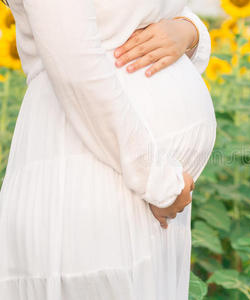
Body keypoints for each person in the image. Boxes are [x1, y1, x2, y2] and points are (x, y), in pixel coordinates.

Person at [0, 0, 216, 299]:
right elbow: (75, 65)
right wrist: (158, 179)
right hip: (93, 179)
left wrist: (190, 31)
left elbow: (129, 14)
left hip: (140, 190)